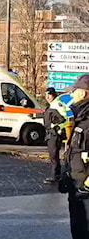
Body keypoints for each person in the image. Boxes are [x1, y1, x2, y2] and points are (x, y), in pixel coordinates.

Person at [60, 74, 89, 238]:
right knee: (78, 232)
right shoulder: (78, 119)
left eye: (74, 91)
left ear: (84, 94)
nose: (71, 95)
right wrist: (66, 175)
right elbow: (73, 151)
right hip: (76, 186)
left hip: (86, 191)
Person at [43, 87, 69, 185]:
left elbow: (64, 119)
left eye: (49, 94)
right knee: (53, 155)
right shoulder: (52, 105)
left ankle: (55, 176)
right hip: (51, 133)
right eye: (46, 95)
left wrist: (57, 128)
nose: (47, 97)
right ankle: (56, 175)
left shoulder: (56, 104)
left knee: (54, 155)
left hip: (54, 134)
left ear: (53, 95)